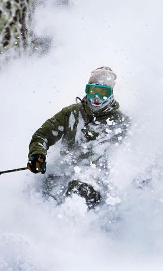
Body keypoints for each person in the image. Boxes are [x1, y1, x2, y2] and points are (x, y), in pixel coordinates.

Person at [27, 66, 129, 209]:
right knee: (40, 188)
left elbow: (130, 157)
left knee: (78, 190)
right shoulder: (72, 114)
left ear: (111, 94)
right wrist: (37, 154)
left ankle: (73, 226)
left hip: (96, 181)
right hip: (64, 173)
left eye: (103, 93)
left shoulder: (120, 122)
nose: (97, 99)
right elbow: (43, 134)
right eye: (92, 91)